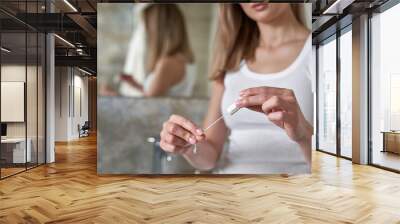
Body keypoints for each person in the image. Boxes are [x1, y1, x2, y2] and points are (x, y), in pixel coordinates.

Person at [159, 3, 313, 174]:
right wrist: (187, 146)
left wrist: (303, 134)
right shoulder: (231, 59)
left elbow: (336, 167)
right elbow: (209, 158)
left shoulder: (322, 48)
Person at [119, 4, 196, 97]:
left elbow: (150, 104)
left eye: (147, 26)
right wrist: (135, 85)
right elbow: (158, 95)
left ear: (158, 30)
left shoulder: (167, 64)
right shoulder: (184, 59)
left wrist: (113, 97)